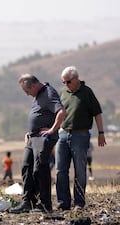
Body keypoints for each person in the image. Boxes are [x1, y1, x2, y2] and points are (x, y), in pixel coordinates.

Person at [10, 74, 66, 214]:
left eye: (28, 91)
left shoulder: (48, 93)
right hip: (32, 137)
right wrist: (30, 131)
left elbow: (61, 112)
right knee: (26, 167)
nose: (28, 95)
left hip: (43, 138)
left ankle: (45, 204)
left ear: (34, 85)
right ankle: (27, 202)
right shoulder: (38, 95)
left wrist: (53, 129)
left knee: (40, 168)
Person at [56, 66, 106, 210]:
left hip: (81, 135)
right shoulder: (63, 93)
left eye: (68, 82)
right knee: (60, 170)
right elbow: (58, 114)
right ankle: (63, 203)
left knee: (80, 170)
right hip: (63, 135)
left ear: (76, 79)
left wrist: (101, 133)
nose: (66, 85)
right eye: (63, 82)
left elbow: (97, 113)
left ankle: (79, 203)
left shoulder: (87, 92)